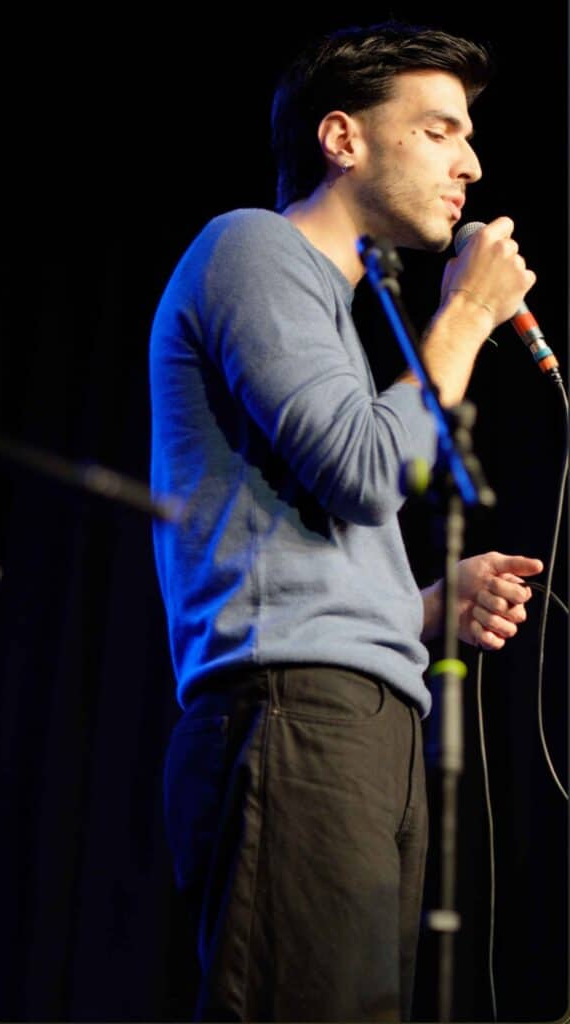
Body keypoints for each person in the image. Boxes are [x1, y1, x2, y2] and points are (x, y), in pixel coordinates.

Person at [149, 21, 543, 1023]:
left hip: (361, 723)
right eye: (441, 130)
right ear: (342, 138)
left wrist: (422, 605)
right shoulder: (251, 247)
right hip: (295, 717)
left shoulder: (329, 315)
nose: (471, 163)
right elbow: (369, 472)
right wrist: (467, 315)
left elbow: (305, 537)